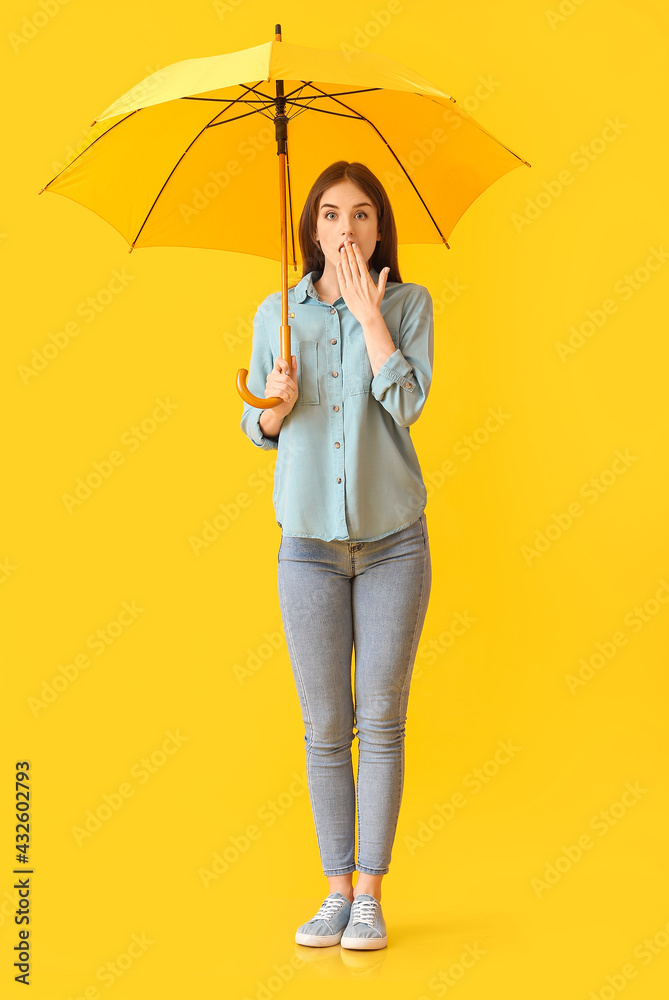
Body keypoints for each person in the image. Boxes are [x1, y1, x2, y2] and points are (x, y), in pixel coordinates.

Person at [240, 160, 434, 950]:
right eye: (329, 214)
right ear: (310, 228)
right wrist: (276, 408)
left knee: (380, 721)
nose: (344, 229)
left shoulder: (408, 303)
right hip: (308, 550)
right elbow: (255, 427)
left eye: (359, 215)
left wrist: (370, 316)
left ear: (378, 226)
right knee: (325, 726)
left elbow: (409, 402)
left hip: (393, 545)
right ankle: (331, 890)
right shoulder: (275, 314)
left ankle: (368, 897)